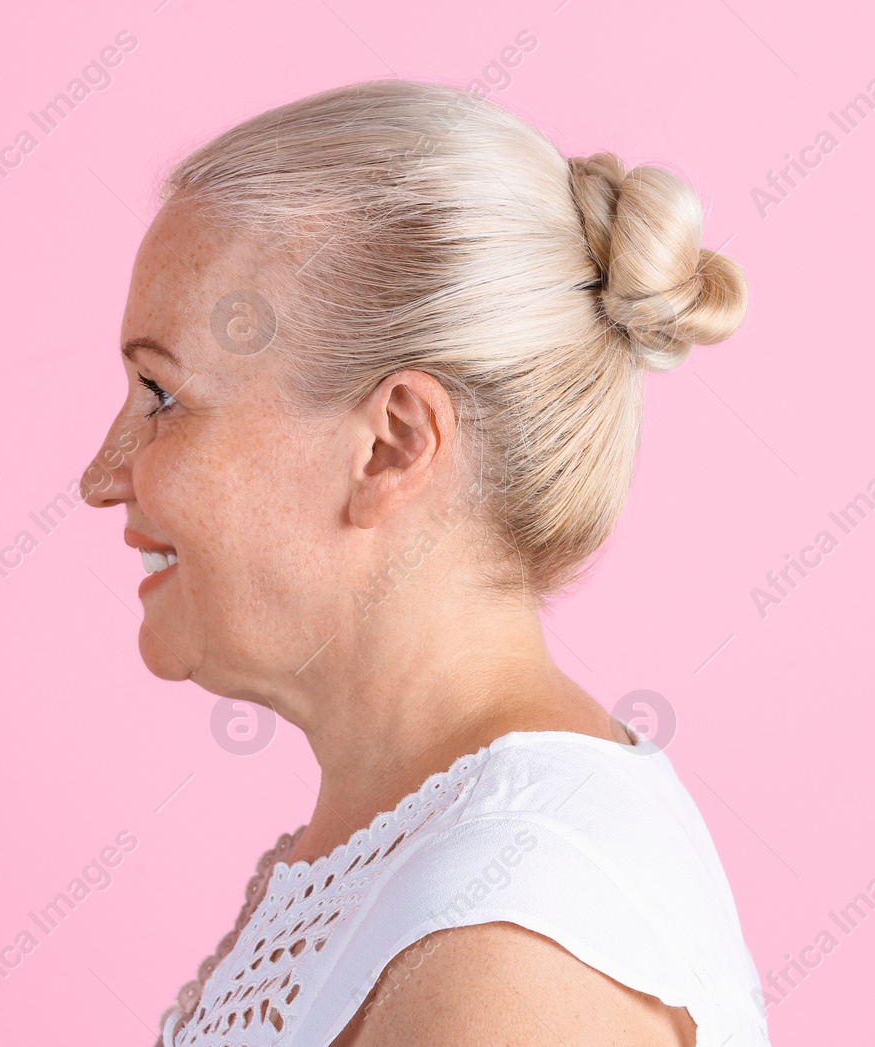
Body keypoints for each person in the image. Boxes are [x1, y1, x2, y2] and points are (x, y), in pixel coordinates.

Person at [80, 78, 767, 1046]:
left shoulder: (507, 945)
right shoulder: (425, 856)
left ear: (393, 445)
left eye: (161, 395)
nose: (101, 477)